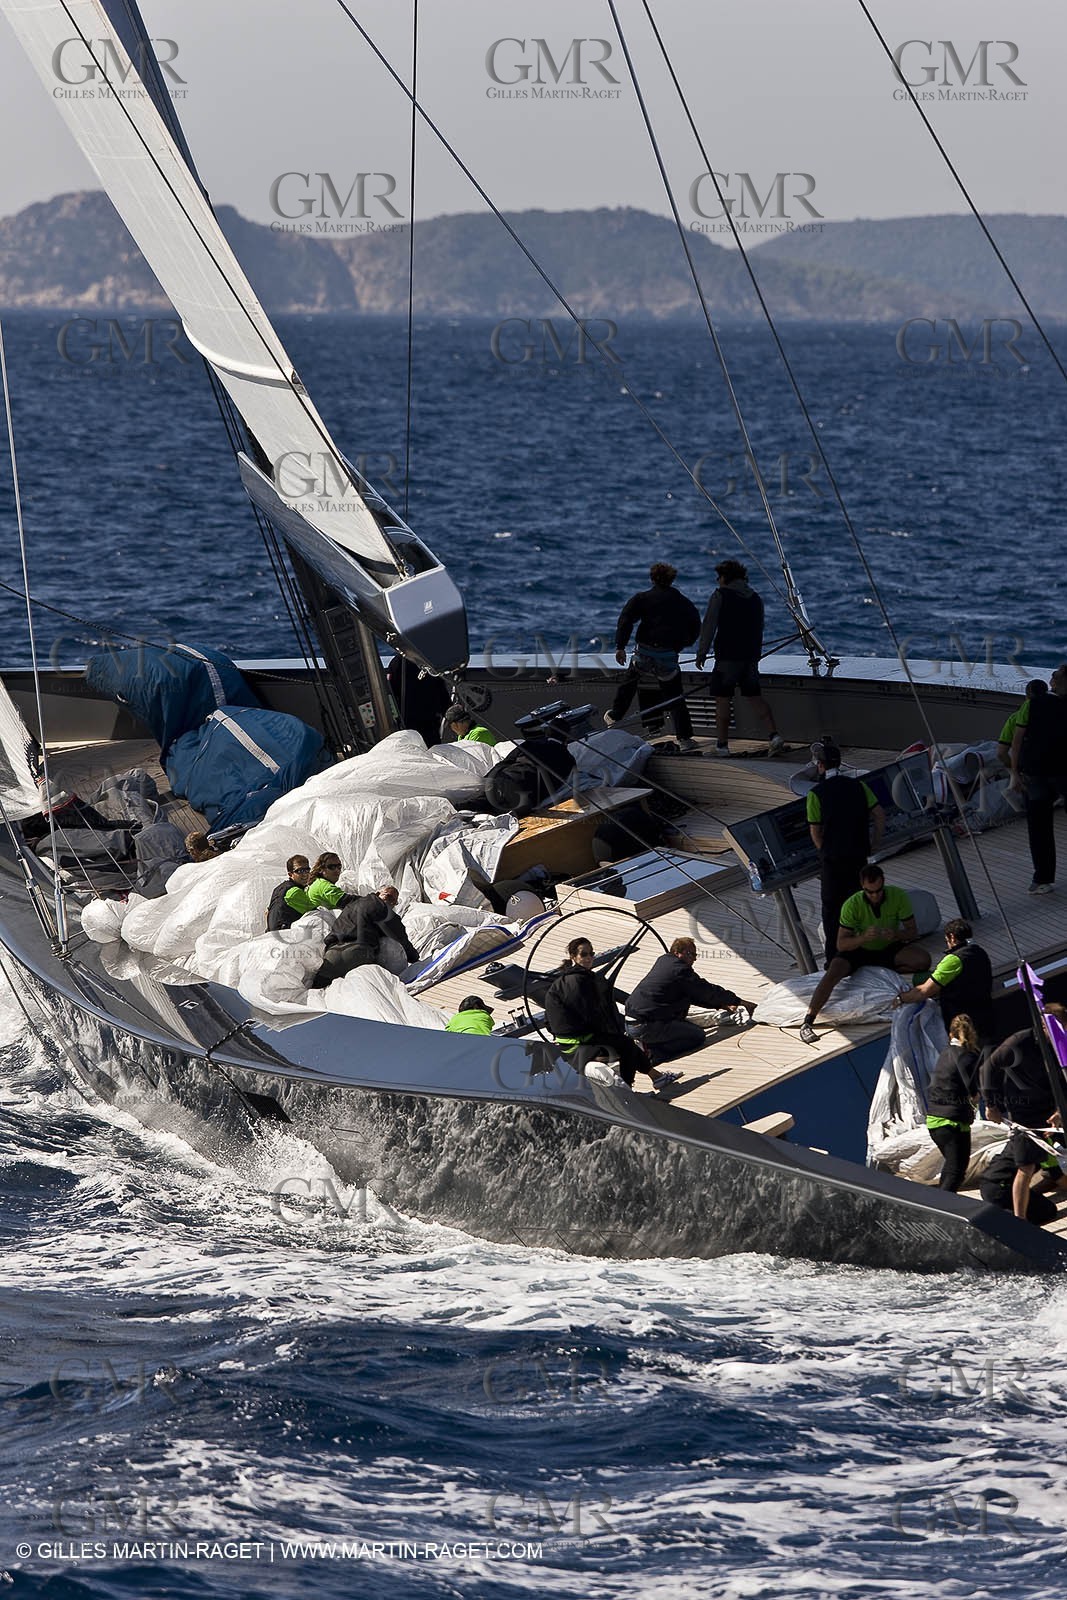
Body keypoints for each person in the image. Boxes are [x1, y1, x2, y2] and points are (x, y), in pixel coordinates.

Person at [798, 865, 930, 1045]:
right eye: (869, 892)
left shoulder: (898, 896)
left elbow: (912, 932)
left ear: (883, 883)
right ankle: (808, 1020)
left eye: (878, 891)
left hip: (887, 946)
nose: (875, 896)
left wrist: (896, 934)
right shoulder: (852, 905)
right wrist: (862, 938)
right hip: (857, 950)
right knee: (832, 974)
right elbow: (841, 944)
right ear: (862, 887)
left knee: (923, 960)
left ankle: (879, 972)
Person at [544, 936, 677, 1092]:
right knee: (626, 1045)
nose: (589, 958)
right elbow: (591, 1015)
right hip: (579, 1047)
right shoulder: (579, 982)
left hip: (567, 1045)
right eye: (584, 954)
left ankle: (656, 1077)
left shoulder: (564, 981)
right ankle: (628, 1091)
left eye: (591, 954)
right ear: (573, 957)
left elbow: (549, 1023)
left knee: (624, 1042)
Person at [980, 1004, 1065, 1218]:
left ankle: (1031, 1200)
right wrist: (991, 1104)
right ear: (1044, 1026)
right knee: (1026, 1167)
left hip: (1051, 1109)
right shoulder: (1020, 1041)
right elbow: (988, 1068)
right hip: (1025, 1114)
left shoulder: (1061, 1043)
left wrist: (1059, 1110)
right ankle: (1021, 1221)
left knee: (1051, 1160)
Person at [805, 738, 885, 966]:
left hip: (833, 861)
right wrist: (874, 843)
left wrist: (825, 854)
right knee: (863, 903)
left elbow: (816, 832)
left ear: (820, 766)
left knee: (833, 911)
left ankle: (836, 958)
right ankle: (869, 949)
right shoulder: (859, 785)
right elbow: (879, 815)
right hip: (859, 856)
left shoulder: (815, 794)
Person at [606, 562, 701, 751]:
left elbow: (625, 621)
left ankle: (616, 716)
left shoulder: (642, 598)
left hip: (645, 654)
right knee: (675, 697)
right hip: (667, 656)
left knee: (630, 683)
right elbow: (695, 625)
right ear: (672, 579)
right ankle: (684, 739)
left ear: (652, 578)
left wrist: (620, 646)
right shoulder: (682, 602)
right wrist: (682, 645)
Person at [695, 559, 784, 757]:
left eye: (719, 577)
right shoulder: (755, 598)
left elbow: (709, 625)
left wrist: (702, 652)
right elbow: (759, 627)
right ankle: (774, 736)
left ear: (725, 577)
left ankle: (722, 746)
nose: (717, 581)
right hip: (750, 656)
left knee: (723, 699)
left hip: (727, 657)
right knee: (755, 696)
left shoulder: (720, 595)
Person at [625, 936, 754, 1066]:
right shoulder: (680, 970)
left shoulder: (664, 961)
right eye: (690, 954)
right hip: (647, 1026)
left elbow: (691, 995)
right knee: (697, 1036)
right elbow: (706, 990)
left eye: (695, 954)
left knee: (684, 1026)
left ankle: (647, 1041)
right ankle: (653, 1053)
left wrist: (720, 1004)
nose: (694, 958)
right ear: (677, 953)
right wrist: (739, 1001)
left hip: (633, 1022)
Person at [1009, 662, 1067, 892]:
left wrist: (1015, 772)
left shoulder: (1033, 704)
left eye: (1055, 676)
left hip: (1036, 772)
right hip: (1062, 772)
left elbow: (1017, 739)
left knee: (1039, 827)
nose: (1052, 679)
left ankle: (1043, 879)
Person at [893, 919, 994, 1045]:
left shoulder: (954, 960)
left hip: (964, 1027)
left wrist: (900, 998)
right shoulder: (980, 952)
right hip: (986, 1016)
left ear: (951, 937)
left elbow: (924, 991)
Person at [311, 884, 420, 989]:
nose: (391, 902)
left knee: (317, 992)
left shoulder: (354, 903)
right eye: (388, 896)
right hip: (358, 954)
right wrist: (415, 959)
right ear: (378, 894)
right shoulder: (383, 909)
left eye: (394, 901)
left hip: (333, 953)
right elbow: (401, 938)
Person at [923, 1013, 982, 1192]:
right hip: (952, 1122)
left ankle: (943, 1204)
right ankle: (941, 1209)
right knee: (955, 1171)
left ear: (950, 1034)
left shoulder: (945, 1053)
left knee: (953, 1169)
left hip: (936, 1120)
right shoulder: (968, 1057)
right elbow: (974, 1092)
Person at [979, 1122, 1067, 1226]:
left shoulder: (1023, 1135)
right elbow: (1057, 1176)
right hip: (1001, 1189)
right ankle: (1004, 1222)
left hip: (987, 1184)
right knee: (1048, 1211)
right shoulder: (1043, 1144)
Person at [386, 653, 452, 747]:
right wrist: (448, 712)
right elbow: (441, 691)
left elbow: (391, 692)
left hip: (411, 722)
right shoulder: (428, 661)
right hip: (425, 722)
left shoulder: (397, 662)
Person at [996, 678, 1047, 767]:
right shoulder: (1055, 714)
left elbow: (1001, 753)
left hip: (1026, 769)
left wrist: (1014, 771)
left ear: (1026, 696)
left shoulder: (1015, 718)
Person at [266, 855, 314, 931]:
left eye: (307, 870)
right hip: (286, 936)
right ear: (290, 874)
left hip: (272, 936)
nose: (305, 874)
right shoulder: (294, 892)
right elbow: (315, 913)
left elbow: (267, 913)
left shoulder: (279, 888)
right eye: (300, 871)